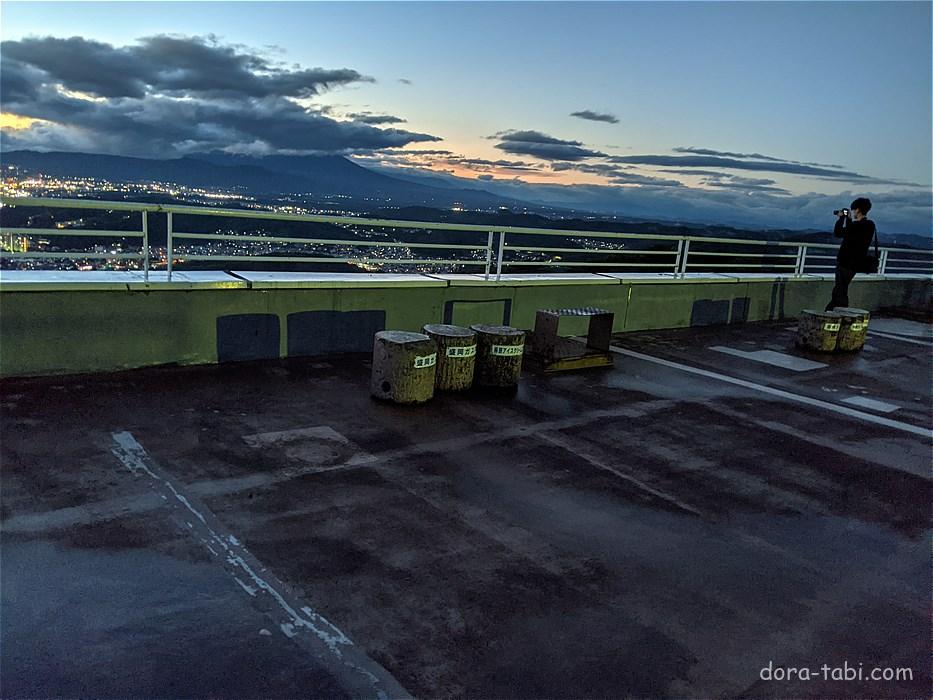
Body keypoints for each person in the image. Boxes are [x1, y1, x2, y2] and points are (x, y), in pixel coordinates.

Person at [825, 197, 876, 311]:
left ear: (857, 210)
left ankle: (840, 314)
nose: (852, 212)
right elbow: (852, 234)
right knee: (840, 289)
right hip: (855, 264)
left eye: (853, 210)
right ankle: (831, 312)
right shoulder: (870, 225)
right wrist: (848, 220)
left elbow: (838, 233)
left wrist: (841, 219)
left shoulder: (856, 226)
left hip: (845, 262)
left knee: (840, 290)